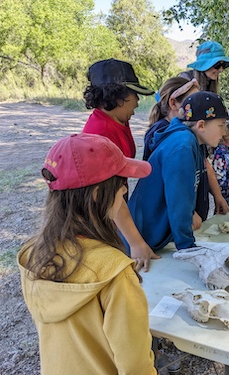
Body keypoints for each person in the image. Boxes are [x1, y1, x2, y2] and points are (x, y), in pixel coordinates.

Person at [17, 133, 156, 375]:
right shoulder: (115, 273)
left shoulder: (32, 253)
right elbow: (135, 367)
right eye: (120, 182)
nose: (124, 190)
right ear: (97, 193)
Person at [128, 91, 229, 251]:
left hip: (156, 236)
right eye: (221, 125)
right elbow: (179, 202)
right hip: (144, 238)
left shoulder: (194, 141)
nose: (224, 132)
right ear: (201, 125)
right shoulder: (183, 146)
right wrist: (187, 247)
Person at [82, 58, 159, 270]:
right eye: (134, 94)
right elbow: (108, 195)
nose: (137, 102)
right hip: (102, 214)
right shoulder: (100, 133)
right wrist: (136, 243)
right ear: (118, 95)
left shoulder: (118, 119)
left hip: (115, 203)